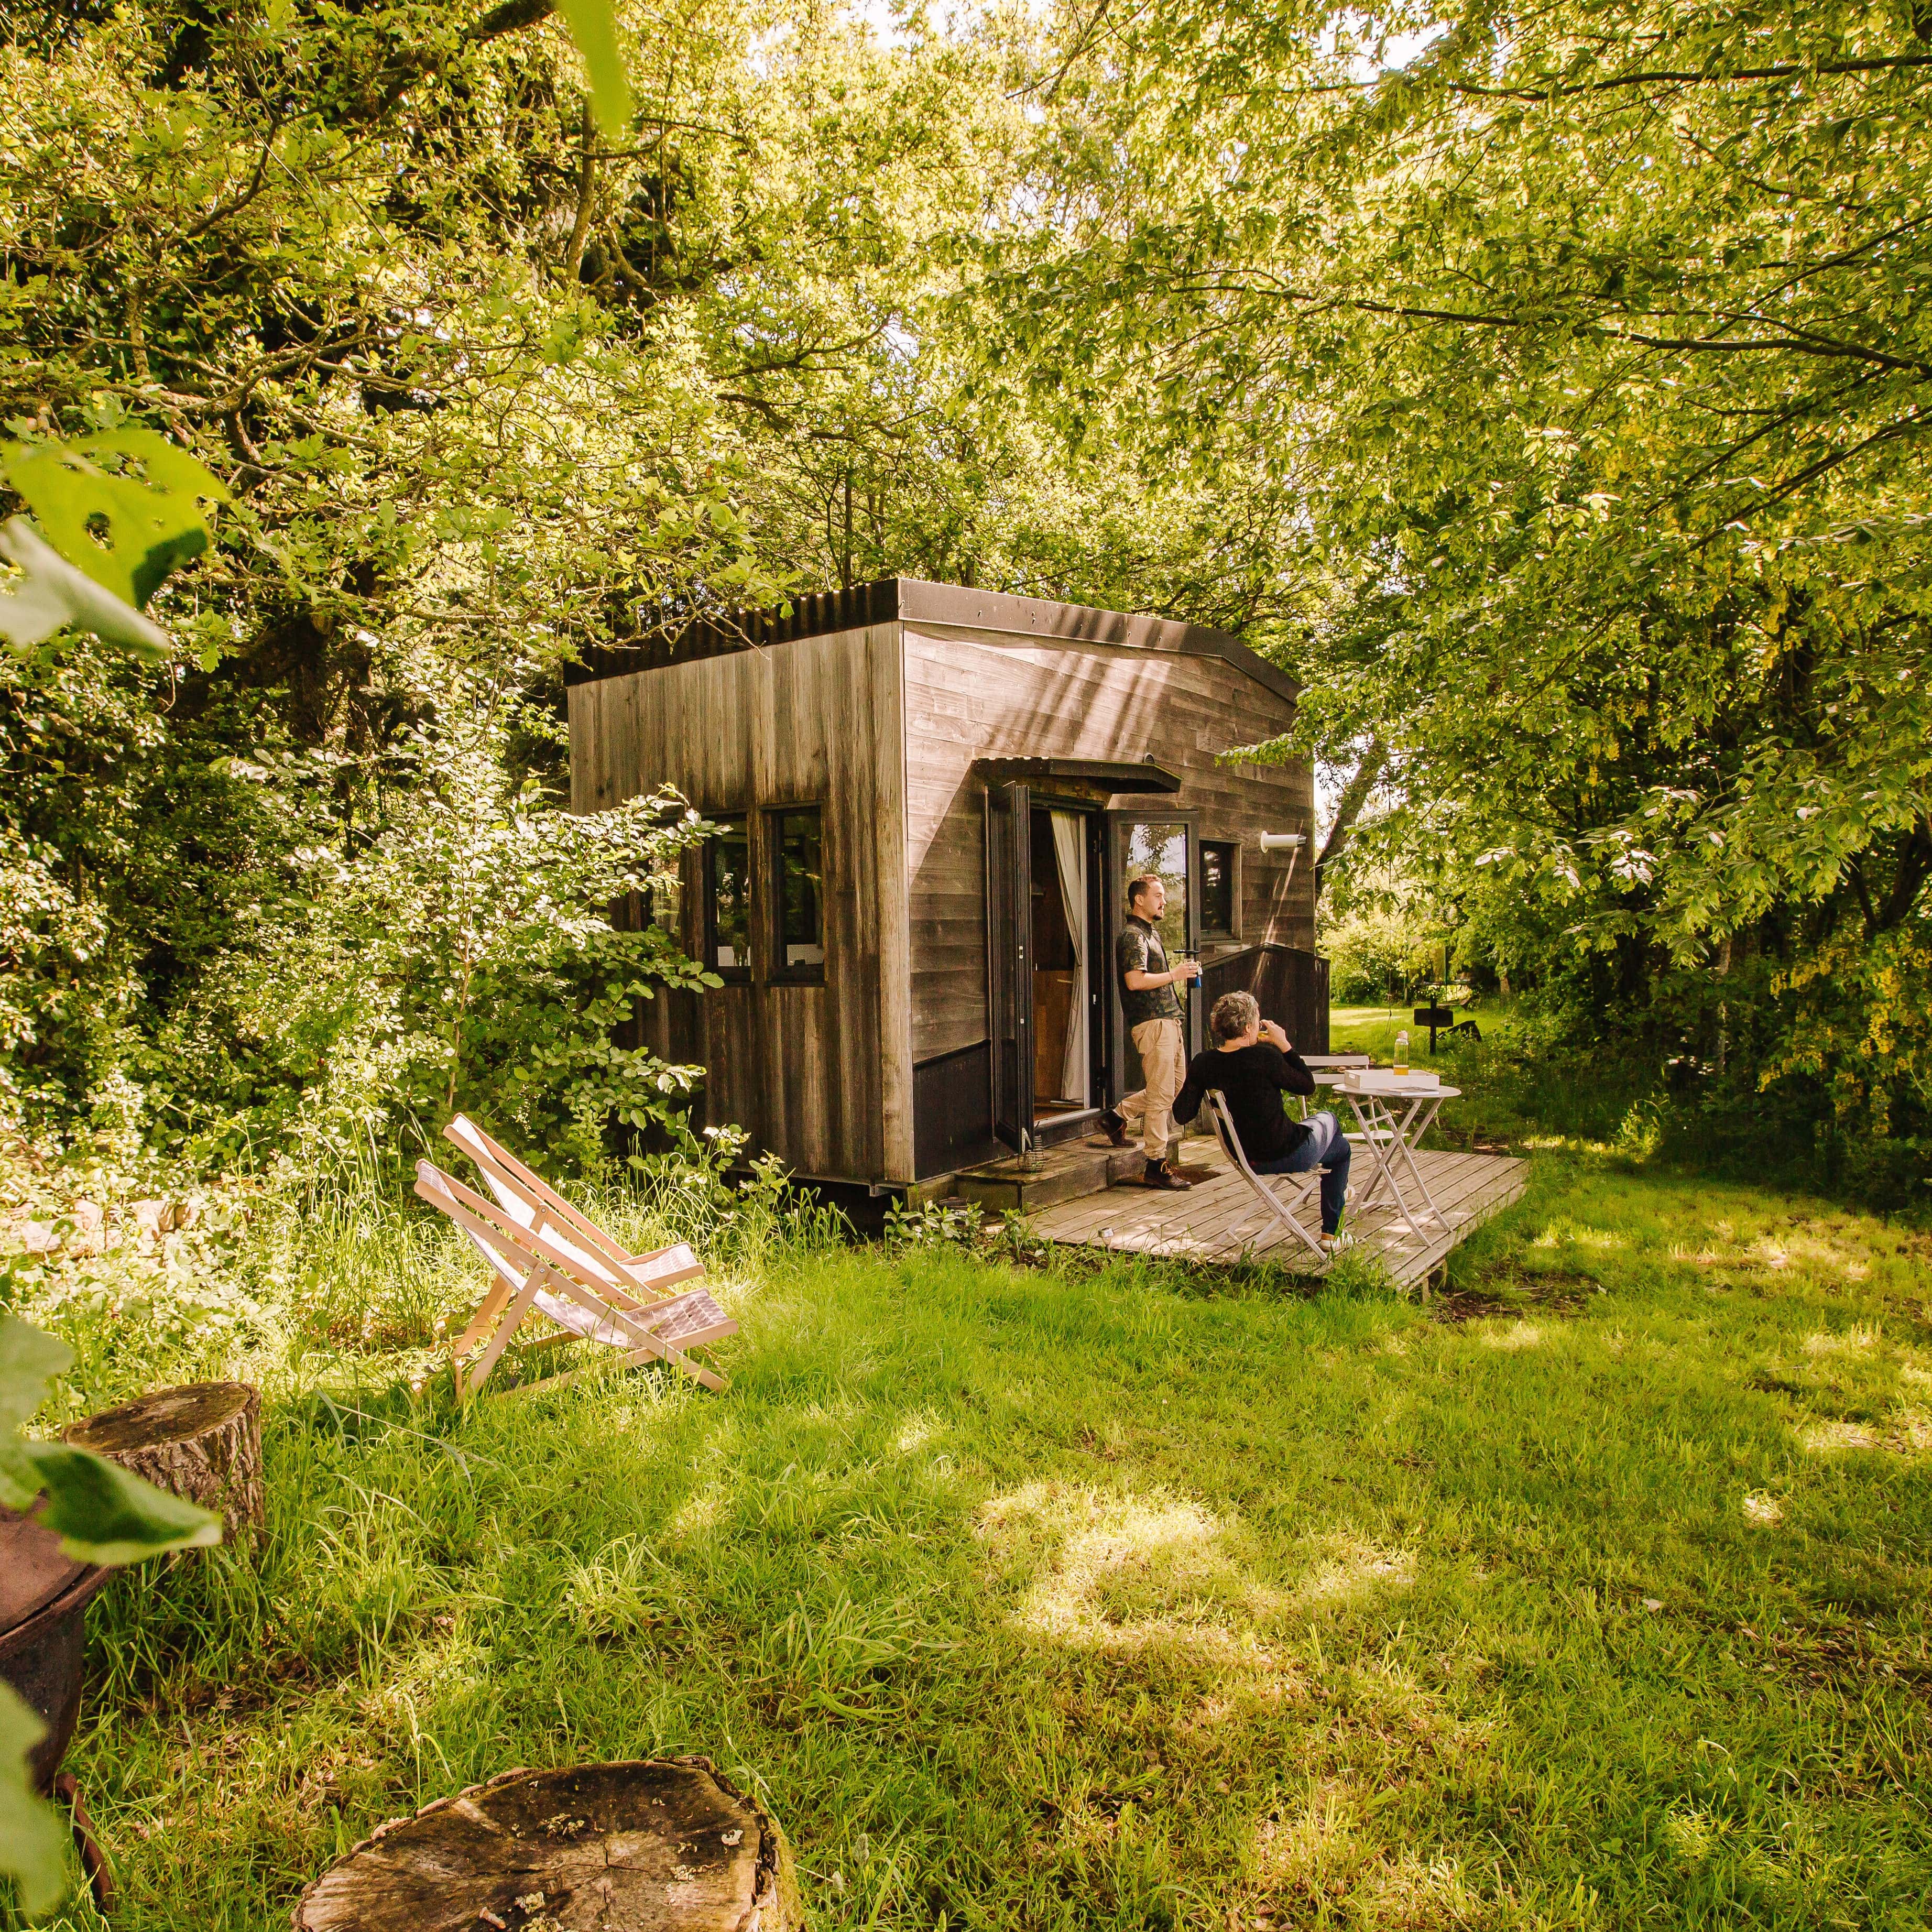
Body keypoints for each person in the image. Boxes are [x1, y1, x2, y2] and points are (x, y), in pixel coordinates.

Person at [1172, 989, 1354, 1249]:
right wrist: (1285, 1045)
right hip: (1288, 1154)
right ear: (1248, 1028)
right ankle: (1331, 1231)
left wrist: (1195, 1080)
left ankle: (1338, 1198)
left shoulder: (1204, 1063)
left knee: (1335, 1145)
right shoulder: (1265, 1057)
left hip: (1246, 1159)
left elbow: (1182, 1114)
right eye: (1257, 1022)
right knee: (1334, 1129)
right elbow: (1307, 1085)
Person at [1097, 875, 1202, 1190]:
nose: (1164, 901)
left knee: (1174, 1087)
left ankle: (1117, 1117)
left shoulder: (1148, 933)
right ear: (1139, 900)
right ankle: (1156, 1164)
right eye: (1158, 895)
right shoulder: (1133, 936)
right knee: (1160, 1095)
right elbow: (1135, 981)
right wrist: (1176, 974)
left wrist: (1177, 976)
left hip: (1168, 1021)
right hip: (1153, 1024)